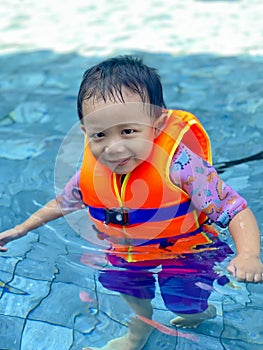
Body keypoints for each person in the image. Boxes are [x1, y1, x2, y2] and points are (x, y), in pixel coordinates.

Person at [0, 55, 263, 350]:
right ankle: (137, 332)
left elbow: (235, 209)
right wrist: (22, 228)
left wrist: (249, 255)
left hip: (184, 252)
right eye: (100, 135)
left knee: (183, 305)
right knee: (129, 292)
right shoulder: (93, 172)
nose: (114, 148)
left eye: (128, 131)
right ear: (86, 132)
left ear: (158, 124)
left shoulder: (182, 167)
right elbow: (65, 202)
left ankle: (200, 313)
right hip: (125, 252)